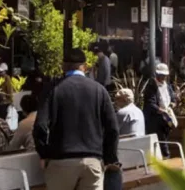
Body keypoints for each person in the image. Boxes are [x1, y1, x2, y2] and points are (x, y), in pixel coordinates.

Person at [33, 49, 120, 190]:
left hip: (61, 160)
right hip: (93, 160)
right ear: (85, 67)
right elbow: (113, 128)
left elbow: (40, 126)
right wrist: (109, 158)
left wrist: (44, 153)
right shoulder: (99, 90)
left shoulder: (52, 90)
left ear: (63, 66)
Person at [143, 63, 177, 157]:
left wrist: (172, 104)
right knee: (161, 139)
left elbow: (173, 98)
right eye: (161, 75)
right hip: (156, 118)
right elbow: (150, 103)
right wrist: (160, 110)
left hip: (167, 117)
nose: (162, 77)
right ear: (157, 74)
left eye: (164, 75)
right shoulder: (151, 86)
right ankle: (166, 156)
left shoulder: (167, 85)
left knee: (165, 136)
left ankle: (165, 156)